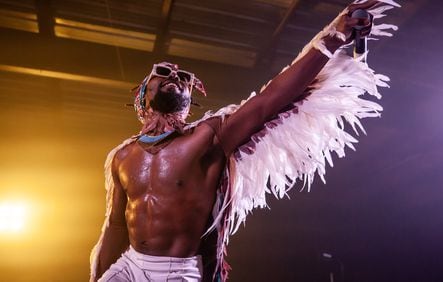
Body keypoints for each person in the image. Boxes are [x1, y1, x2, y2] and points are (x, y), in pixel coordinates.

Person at [89, 0, 399, 281]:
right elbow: (115, 226)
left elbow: (270, 100)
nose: (177, 76)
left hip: (176, 273)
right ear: (143, 96)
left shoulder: (207, 137)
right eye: (164, 72)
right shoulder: (122, 156)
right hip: (129, 266)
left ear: (188, 104)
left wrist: (334, 36)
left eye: (185, 78)